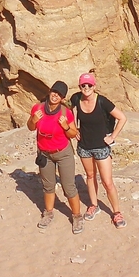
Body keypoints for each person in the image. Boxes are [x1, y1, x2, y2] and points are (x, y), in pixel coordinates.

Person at [70, 72, 128, 228]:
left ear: (94, 86)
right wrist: (74, 129)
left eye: (89, 85)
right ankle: (94, 205)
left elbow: (122, 118)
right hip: (84, 147)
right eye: (83, 85)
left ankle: (116, 213)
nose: (86, 88)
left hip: (101, 147)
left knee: (107, 182)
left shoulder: (102, 101)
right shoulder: (76, 99)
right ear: (80, 87)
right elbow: (68, 114)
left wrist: (112, 137)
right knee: (90, 176)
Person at [29, 80, 83, 234]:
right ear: (49, 92)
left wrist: (65, 126)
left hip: (63, 153)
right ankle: (48, 213)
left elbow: (73, 134)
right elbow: (30, 127)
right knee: (48, 185)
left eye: (59, 95)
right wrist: (33, 120)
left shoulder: (66, 112)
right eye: (54, 92)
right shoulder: (37, 108)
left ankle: (77, 217)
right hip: (45, 153)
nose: (55, 96)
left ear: (63, 98)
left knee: (69, 186)